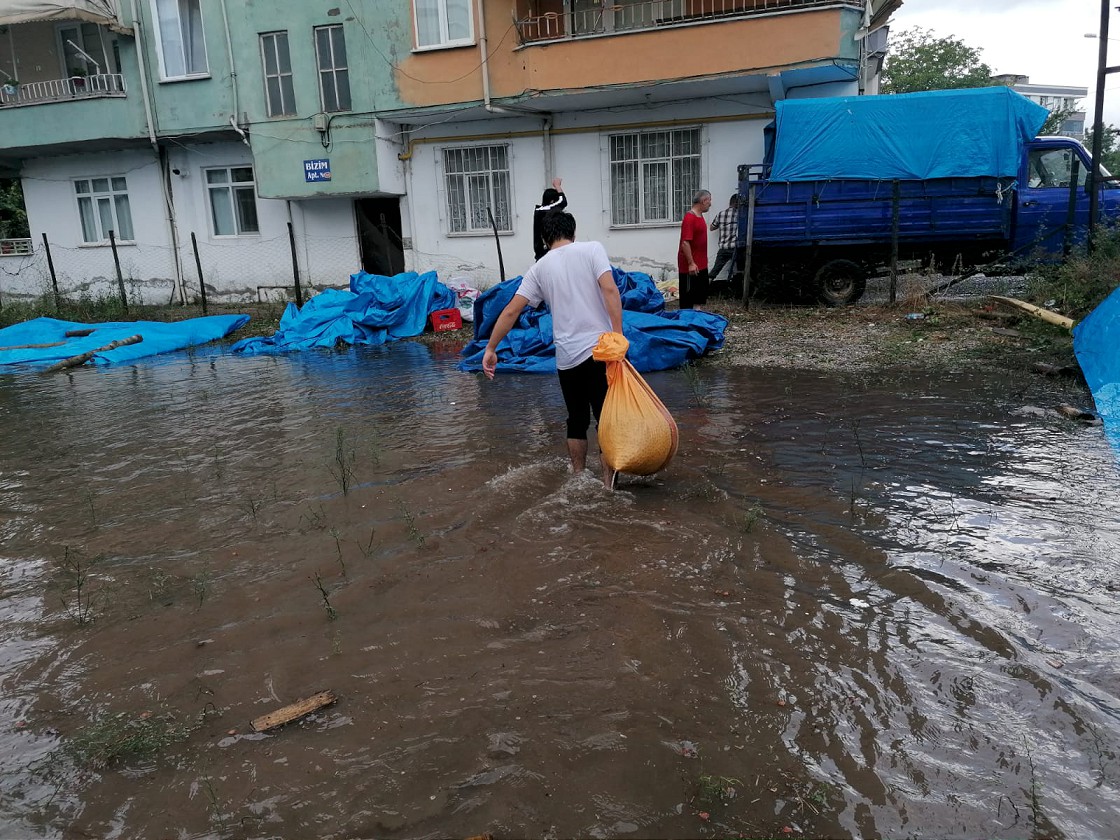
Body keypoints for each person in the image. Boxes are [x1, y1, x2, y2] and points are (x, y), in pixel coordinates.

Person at [484, 211, 624, 488]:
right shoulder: (592, 249)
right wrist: (618, 336)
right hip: (600, 352)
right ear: (573, 231)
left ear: (545, 239)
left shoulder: (539, 268)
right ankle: (608, 486)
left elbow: (512, 310)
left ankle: (578, 479)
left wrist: (490, 348)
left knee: (576, 419)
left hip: (567, 358)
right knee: (606, 420)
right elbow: (609, 290)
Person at [678, 189, 712, 309]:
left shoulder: (700, 216)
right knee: (688, 299)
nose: (710, 204)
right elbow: (685, 243)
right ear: (703, 201)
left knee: (699, 296)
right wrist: (691, 263)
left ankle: (697, 320)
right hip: (691, 267)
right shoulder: (689, 218)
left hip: (701, 264)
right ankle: (686, 323)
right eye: (709, 201)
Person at [708, 193, 741, 295]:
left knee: (715, 270)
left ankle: (704, 290)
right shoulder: (740, 215)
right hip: (736, 248)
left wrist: (723, 225)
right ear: (737, 203)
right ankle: (737, 291)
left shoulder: (721, 214)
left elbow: (712, 228)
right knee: (739, 269)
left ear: (730, 203)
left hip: (723, 247)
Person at [532, 177, 567, 261]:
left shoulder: (541, 211)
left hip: (543, 255)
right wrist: (557, 186)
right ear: (552, 201)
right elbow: (563, 202)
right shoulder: (544, 211)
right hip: (545, 255)